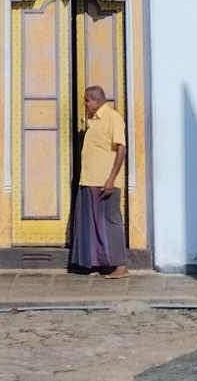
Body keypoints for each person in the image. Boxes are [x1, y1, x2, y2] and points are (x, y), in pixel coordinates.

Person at [71, 84, 128, 278]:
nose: (85, 104)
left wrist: (111, 179)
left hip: (106, 180)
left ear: (97, 100)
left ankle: (121, 266)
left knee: (111, 220)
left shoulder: (112, 118)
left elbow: (121, 149)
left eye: (87, 101)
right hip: (89, 179)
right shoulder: (92, 121)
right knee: (93, 223)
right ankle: (100, 262)